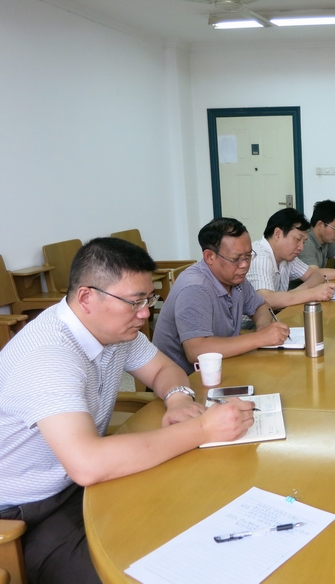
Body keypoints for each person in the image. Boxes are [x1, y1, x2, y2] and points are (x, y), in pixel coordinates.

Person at [0, 238, 255, 584]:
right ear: (87, 298)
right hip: (26, 511)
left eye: (149, 299)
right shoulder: (48, 355)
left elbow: (163, 369)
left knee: (187, 517)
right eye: (135, 302)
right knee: (135, 569)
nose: (145, 313)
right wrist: (204, 429)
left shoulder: (114, 331)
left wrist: (179, 398)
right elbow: (88, 463)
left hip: (77, 487)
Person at [153, 217, 288, 374]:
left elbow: (260, 306)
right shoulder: (195, 288)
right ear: (209, 256)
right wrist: (261, 338)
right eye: (235, 259)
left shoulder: (235, 278)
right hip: (184, 379)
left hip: (221, 367)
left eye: (248, 256)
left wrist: (263, 325)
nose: (244, 265)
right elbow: (196, 351)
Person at [246, 208, 335, 310]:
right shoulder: (260, 257)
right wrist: (313, 293)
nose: (301, 247)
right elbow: (266, 300)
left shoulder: (287, 256)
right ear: (278, 234)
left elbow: (316, 275)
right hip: (252, 320)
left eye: (303, 242)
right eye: (297, 239)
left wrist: (296, 292)